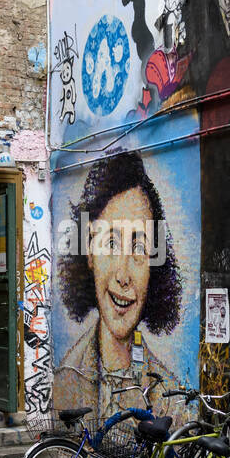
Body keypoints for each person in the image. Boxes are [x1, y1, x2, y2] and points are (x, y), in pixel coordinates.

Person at [53, 151, 184, 421]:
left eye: (139, 248)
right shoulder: (65, 380)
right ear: (89, 250)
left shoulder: (172, 400)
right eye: (111, 244)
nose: (123, 275)